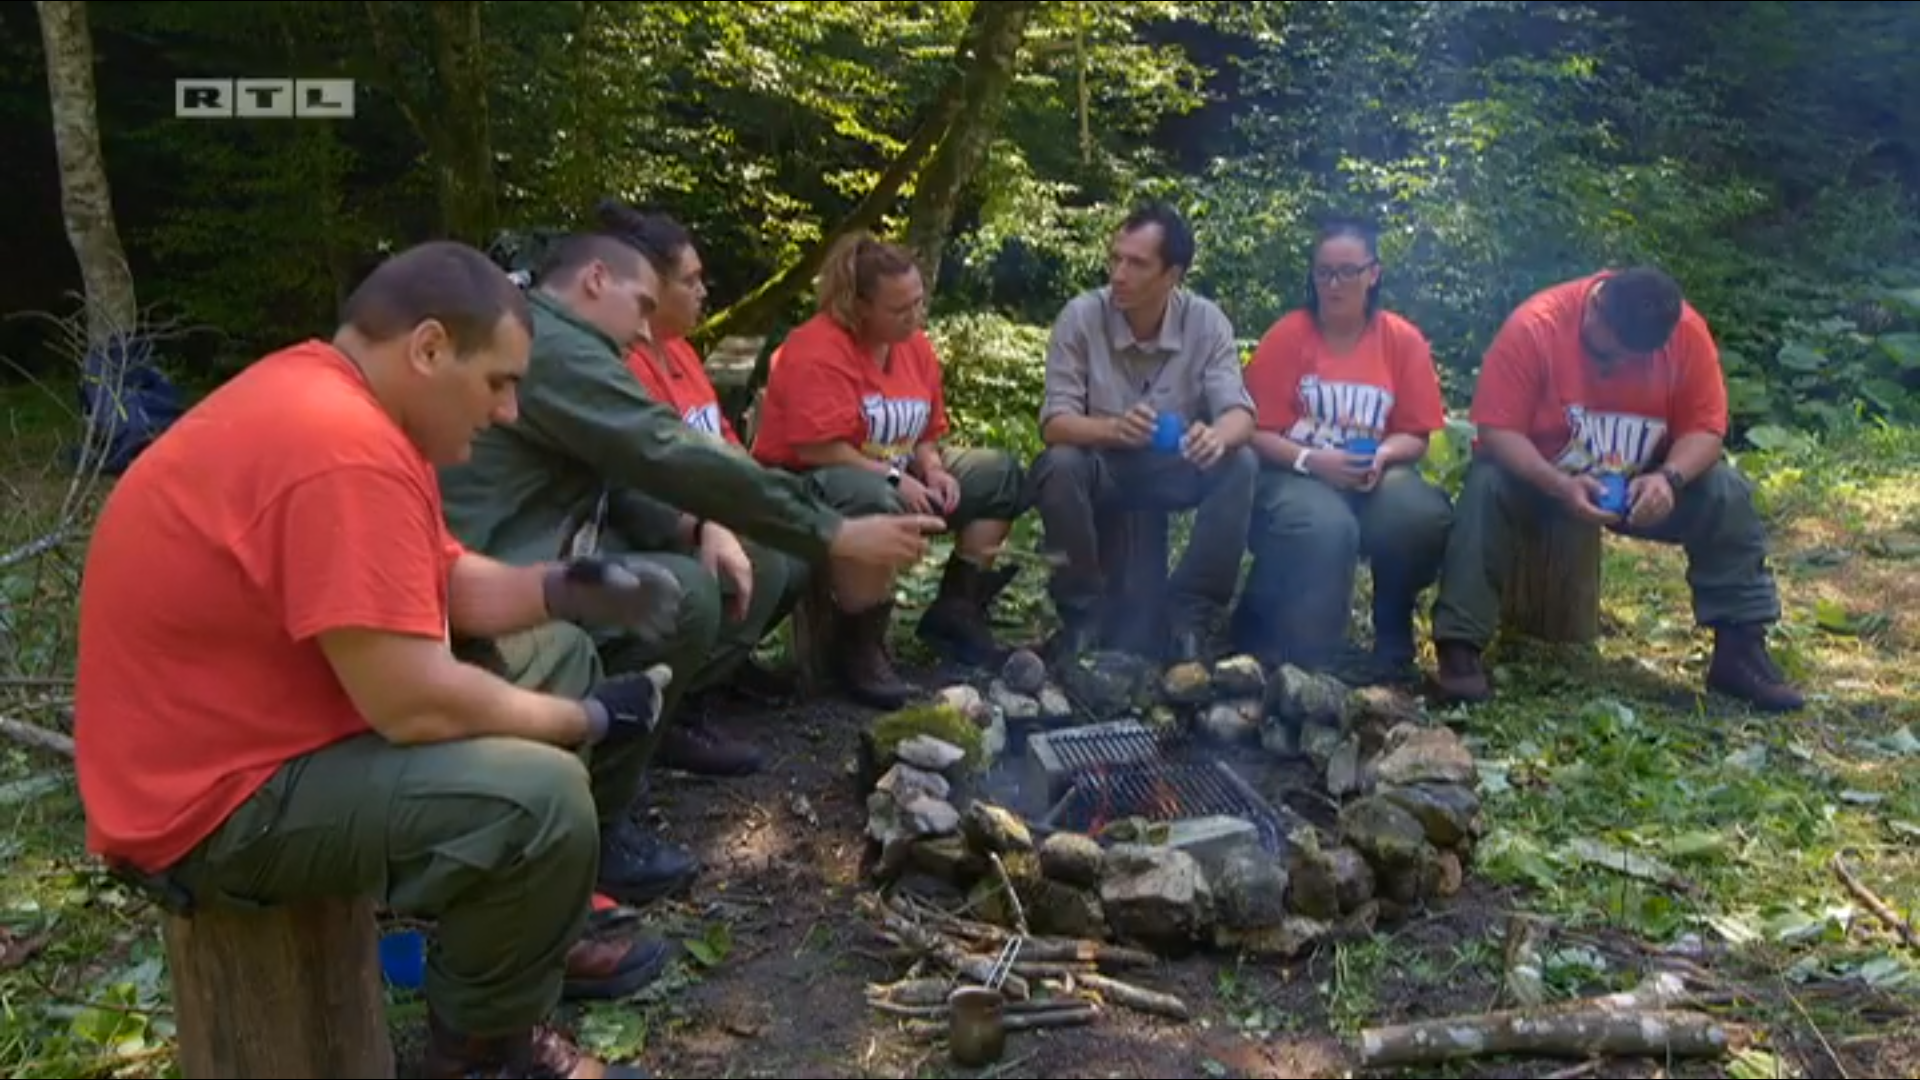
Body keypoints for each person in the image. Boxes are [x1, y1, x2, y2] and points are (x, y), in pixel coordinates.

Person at [73, 241, 676, 1078]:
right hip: (210, 809)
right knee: (544, 801)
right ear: (428, 349)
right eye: (498, 382)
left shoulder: (345, 401)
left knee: (557, 652)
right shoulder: (340, 444)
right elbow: (414, 704)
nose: (507, 413)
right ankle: (481, 1052)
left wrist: (571, 586)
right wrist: (591, 720)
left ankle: (517, 945)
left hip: (266, 728)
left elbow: (445, 581)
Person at [437, 212, 943, 906]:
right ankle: (585, 831)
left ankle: (603, 801)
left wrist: (699, 519)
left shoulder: (544, 332)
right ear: (593, 279)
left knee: (679, 586)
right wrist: (829, 531)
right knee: (674, 595)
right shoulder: (551, 346)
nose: (648, 331)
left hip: (524, 566)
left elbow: (619, 471)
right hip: (476, 589)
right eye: (643, 305)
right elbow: (663, 450)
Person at [1427, 266, 1805, 712]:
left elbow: (1706, 429)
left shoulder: (1686, 333)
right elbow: (1496, 431)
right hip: (1542, 478)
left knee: (1726, 492)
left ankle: (1741, 654)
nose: (1621, 367)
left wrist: (1669, 478)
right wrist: (1557, 485)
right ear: (1596, 309)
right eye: (1612, 354)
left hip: (1639, 483)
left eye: (1634, 359)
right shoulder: (1537, 327)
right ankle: (1459, 649)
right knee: (1486, 483)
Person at [751, 232, 1027, 704]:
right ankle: (860, 646)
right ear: (858, 306)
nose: (916, 317)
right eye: (901, 310)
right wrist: (896, 479)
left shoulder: (913, 346)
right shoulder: (815, 349)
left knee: (996, 473)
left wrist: (934, 469)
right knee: (876, 499)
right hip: (810, 482)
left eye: (919, 303)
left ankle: (957, 608)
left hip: (894, 468)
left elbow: (925, 429)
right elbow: (821, 448)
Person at [1022, 202, 1259, 663]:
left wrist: (1217, 436)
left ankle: (1191, 614)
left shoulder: (1206, 321)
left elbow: (1240, 414)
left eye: (1136, 263)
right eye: (1115, 258)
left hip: (1173, 466)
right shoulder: (1082, 316)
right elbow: (1054, 424)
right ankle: (1083, 614)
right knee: (1059, 466)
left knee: (1240, 461)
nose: (1118, 274)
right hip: (1101, 465)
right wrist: (1112, 428)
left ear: (1172, 275)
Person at [614, 209, 809, 761]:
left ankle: (724, 669)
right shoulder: (621, 364)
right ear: (649, 284)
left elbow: (720, 435)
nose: (705, 291)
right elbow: (648, 475)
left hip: (710, 507)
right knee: (766, 562)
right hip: (659, 523)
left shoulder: (678, 349)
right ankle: (679, 708)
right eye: (691, 280)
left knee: (798, 542)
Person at [1229, 217, 1453, 683]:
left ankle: (1392, 630)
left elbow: (1416, 433)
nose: (1334, 284)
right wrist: (1312, 461)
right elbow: (1252, 428)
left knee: (1418, 513)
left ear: (1373, 273)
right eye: (1324, 272)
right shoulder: (1289, 336)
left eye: (1347, 272)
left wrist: (1382, 456)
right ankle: (1303, 647)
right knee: (1327, 526)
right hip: (1293, 472)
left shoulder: (1401, 340)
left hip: (1371, 474)